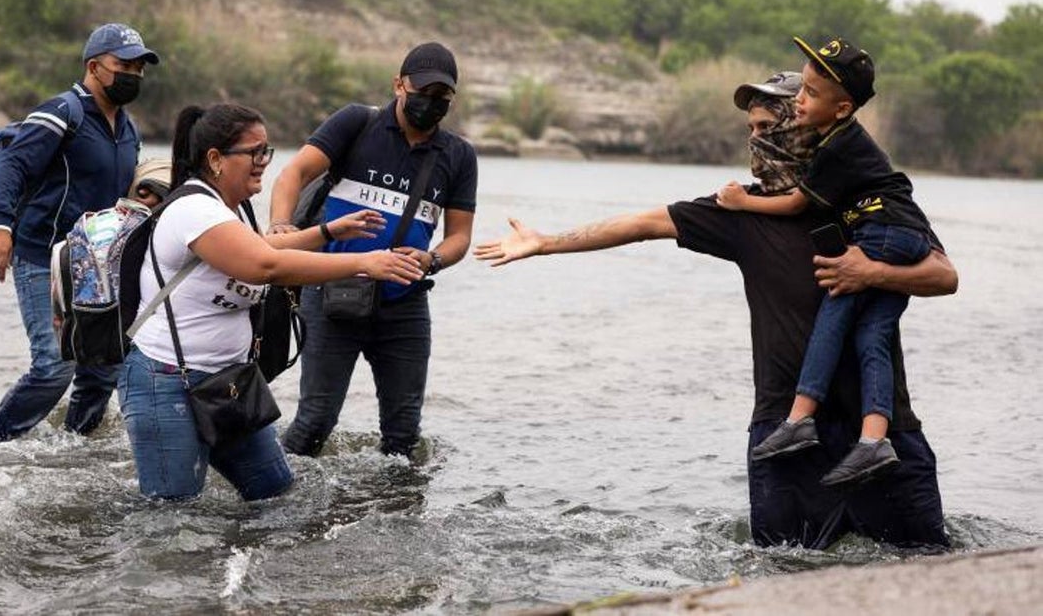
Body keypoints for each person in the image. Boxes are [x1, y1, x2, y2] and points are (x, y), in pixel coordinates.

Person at [473, 71, 958, 551]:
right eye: (750, 129)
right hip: (786, 433)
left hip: (882, 431)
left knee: (931, 570)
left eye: (768, 127)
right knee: (780, 579)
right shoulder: (741, 213)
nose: (756, 138)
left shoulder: (865, 199)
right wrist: (545, 243)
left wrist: (871, 273)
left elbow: (944, 275)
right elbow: (643, 223)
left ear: (805, 122)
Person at [119, 103, 425, 500]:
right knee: (173, 518)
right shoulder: (193, 209)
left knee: (275, 496)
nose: (264, 162)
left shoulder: (228, 208)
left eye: (267, 151)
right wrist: (366, 261)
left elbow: (262, 244)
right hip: (166, 384)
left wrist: (329, 231)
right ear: (215, 159)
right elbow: (266, 265)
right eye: (254, 152)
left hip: (227, 385)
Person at [716, 37, 937, 488]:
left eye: (810, 94)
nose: (799, 100)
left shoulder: (836, 149)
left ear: (841, 109)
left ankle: (800, 418)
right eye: (800, 91)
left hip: (884, 233)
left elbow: (797, 203)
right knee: (871, 336)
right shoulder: (842, 142)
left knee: (833, 314)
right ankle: (874, 440)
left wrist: (742, 202)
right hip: (903, 231)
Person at [267, 41, 479, 458]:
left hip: (404, 304)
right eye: (423, 92)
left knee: (403, 434)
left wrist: (432, 259)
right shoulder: (356, 124)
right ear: (399, 85)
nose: (431, 103)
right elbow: (294, 173)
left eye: (442, 97)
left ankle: (398, 516)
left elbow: (459, 238)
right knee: (315, 420)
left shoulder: (458, 156)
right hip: (332, 293)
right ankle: (274, 501)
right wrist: (279, 225)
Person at [0, 22, 159, 442]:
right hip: (44, 256)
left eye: (140, 67)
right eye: (124, 65)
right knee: (54, 365)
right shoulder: (62, 112)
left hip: (99, 264)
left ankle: (75, 445)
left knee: (105, 365)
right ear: (94, 67)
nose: (134, 74)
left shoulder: (128, 127)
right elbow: (12, 166)